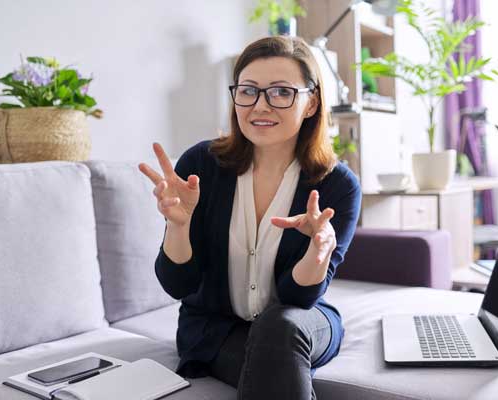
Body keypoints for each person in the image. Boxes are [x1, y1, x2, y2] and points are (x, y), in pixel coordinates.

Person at [138, 36, 361, 400]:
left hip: (303, 322)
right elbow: (178, 285)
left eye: (281, 93)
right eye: (248, 91)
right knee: (276, 365)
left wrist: (316, 256)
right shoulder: (200, 167)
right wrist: (178, 226)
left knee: (280, 325)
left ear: (311, 103)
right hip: (216, 329)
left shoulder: (338, 186)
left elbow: (297, 298)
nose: (260, 106)